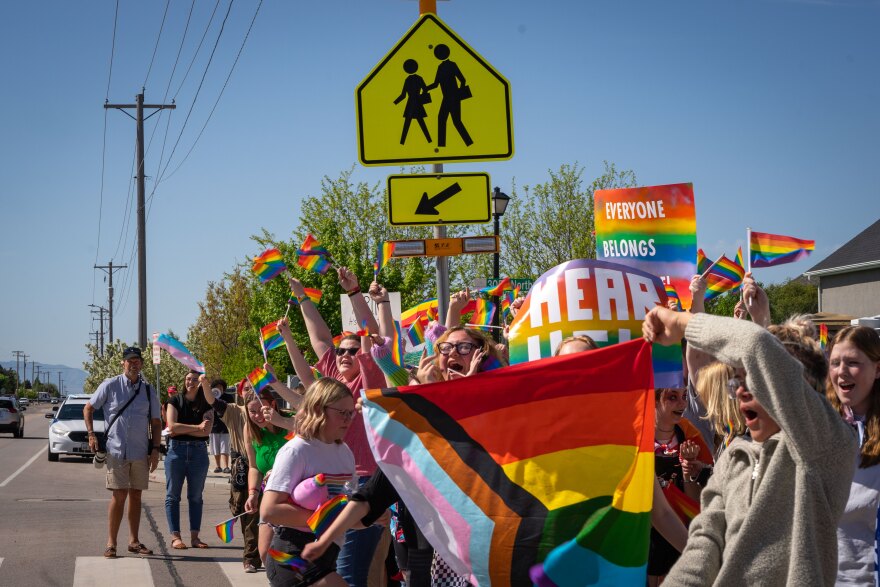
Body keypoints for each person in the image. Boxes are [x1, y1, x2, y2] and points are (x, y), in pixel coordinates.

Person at [643, 305, 857, 585]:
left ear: (792, 389)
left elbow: (756, 345)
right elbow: (704, 542)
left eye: (753, 380)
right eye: (737, 381)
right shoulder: (733, 457)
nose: (740, 391)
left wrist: (681, 322)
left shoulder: (826, 446)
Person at [289, 269, 390, 586]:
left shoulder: (369, 377)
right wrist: (303, 297)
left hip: (363, 480)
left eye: (351, 350)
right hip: (332, 482)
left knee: (350, 572)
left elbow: (371, 333)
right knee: (336, 571)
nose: (345, 355)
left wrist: (354, 293)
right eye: (341, 351)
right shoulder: (332, 379)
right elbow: (319, 338)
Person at [262, 378, 362, 587]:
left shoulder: (345, 453)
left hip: (326, 554)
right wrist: (326, 521)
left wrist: (372, 516)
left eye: (350, 413)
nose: (348, 419)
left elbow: (345, 509)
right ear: (318, 409)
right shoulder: (296, 450)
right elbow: (270, 510)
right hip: (291, 555)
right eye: (341, 413)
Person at [84, 346, 162, 559]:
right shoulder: (110, 385)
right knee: (119, 495)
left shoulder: (148, 390)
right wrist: (91, 434)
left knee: (136, 495)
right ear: (123, 363)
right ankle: (111, 543)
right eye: (130, 361)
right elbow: (88, 408)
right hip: (116, 451)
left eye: (137, 360)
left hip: (139, 452)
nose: (134, 364)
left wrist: (155, 449)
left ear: (142, 364)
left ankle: (134, 541)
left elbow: (156, 422)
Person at [826, 326, 880, 583]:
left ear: (878, 369)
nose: (841, 371)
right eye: (835, 363)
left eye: (853, 362)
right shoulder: (822, 431)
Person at [649, 387, 713, 584]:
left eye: (684, 397)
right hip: (647, 541)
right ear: (654, 401)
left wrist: (688, 473)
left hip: (681, 536)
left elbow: (694, 504)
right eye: (673, 398)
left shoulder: (689, 436)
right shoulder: (635, 438)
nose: (682, 404)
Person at [200, 375, 261, 573]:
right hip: (242, 467)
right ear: (240, 393)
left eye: (255, 387)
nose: (250, 391)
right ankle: (254, 552)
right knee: (241, 512)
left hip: (264, 466)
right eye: (246, 388)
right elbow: (211, 401)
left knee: (255, 515)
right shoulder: (234, 411)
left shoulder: (267, 412)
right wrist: (204, 383)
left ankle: (251, 558)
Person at [242, 387, 296, 564]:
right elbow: (254, 467)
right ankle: (296, 573)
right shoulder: (250, 431)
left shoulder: (291, 424)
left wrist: (280, 470)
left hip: (296, 499)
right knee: (266, 554)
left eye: (261, 410)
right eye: (252, 411)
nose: (257, 416)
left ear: (273, 404)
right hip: (270, 499)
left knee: (293, 552)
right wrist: (253, 494)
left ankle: (301, 576)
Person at [164, 370, 213, 550]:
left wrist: (189, 429)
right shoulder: (175, 400)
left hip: (199, 453)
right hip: (176, 451)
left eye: (194, 379)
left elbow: (206, 432)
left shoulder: (206, 403)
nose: (190, 382)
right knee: (172, 495)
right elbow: (172, 427)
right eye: (187, 379)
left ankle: (195, 537)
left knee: (196, 496)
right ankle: (175, 536)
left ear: (200, 383)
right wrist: (196, 427)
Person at [209, 380, 231, 474]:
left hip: (225, 426)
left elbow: (231, 408)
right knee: (215, 448)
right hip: (213, 426)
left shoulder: (228, 397)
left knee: (225, 447)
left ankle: (226, 466)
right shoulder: (210, 397)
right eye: (217, 387)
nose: (219, 389)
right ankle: (218, 466)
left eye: (221, 387)